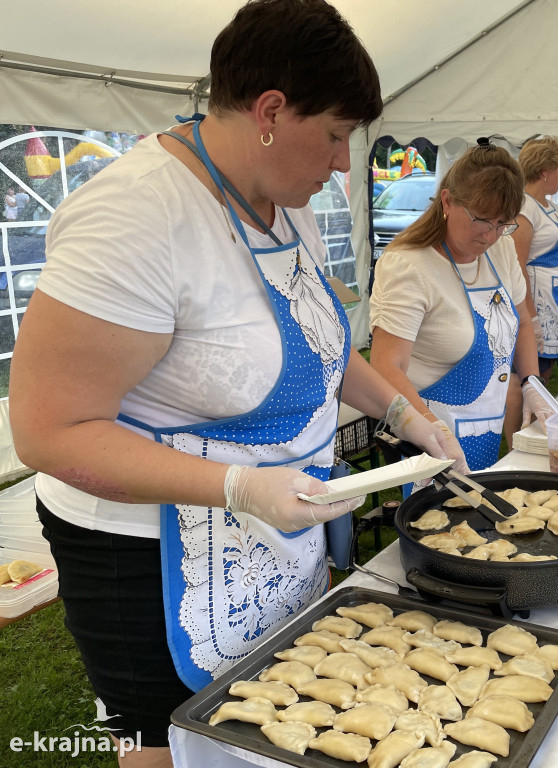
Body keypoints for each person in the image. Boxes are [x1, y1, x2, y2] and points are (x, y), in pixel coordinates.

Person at [7, 2, 465, 765]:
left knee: (276, 725)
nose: (343, 164)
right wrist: (239, 487)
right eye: (337, 135)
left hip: (272, 531)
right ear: (271, 112)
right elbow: (48, 431)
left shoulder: (286, 202)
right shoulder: (134, 218)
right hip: (142, 554)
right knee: (171, 745)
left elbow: (319, 345)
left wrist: (404, 412)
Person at [369, 140, 553, 472]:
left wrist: (531, 382)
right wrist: (432, 431)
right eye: (482, 220)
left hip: (486, 429)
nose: (490, 236)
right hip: (427, 441)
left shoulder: (501, 250)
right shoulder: (408, 265)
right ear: (448, 201)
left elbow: (523, 320)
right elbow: (386, 366)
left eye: (503, 223)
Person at [510, 136, 558, 384]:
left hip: (555, 301)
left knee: (545, 372)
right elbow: (517, 266)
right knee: (531, 376)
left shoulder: (549, 206)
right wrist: (531, 318)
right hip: (536, 302)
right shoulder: (524, 208)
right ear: (544, 171)